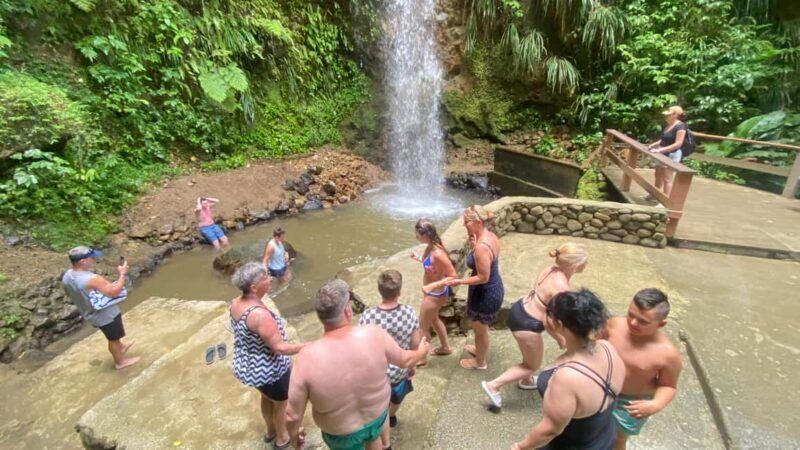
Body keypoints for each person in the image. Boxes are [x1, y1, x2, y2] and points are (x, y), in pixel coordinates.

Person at [286, 279, 430, 450]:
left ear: (320, 316)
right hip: (376, 418)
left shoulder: (305, 359)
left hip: (341, 433)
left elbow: (292, 415)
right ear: (347, 310)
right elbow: (405, 359)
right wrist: (422, 351)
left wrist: (294, 437)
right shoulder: (375, 335)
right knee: (375, 441)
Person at [510, 289, 625, 450]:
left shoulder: (566, 378)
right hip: (603, 436)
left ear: (558, 324)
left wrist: (521, 446)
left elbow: (549, 430)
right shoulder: (609, 348)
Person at [482, 243, 588, 408]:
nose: (586, 265)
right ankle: (493, 385)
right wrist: (560, 339)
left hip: (519, 309)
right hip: (527, 325)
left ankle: (527, 380)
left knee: (530, 354)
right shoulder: (562, 290)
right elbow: (549, 321)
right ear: (574, 266)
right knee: (531, 365)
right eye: (584, 262)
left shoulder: (550, 269)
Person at [229, 262, 305, 449]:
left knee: (267, 397)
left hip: (249, 366)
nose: (270, 279)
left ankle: (270, 431)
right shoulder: (259, 316)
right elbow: (279, 347)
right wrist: (307, 346)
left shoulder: (236, 302)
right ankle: (282, 438)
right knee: (282, 404)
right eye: (265, 278)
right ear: (253, 287)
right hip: (269, 370)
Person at [602, 289, 682, 450]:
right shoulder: (614, 324)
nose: (633, 323)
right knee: (588, 426)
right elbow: (595, 345)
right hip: (602, 386)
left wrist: (656, 404)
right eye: (630, 315)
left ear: (661, 324)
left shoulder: (668, 355)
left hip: (630, 402)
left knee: (617, 438)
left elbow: (668, 386)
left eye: (643, 321)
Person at [358, 270, 421, 448]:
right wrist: (412, 365)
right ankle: (391, 415)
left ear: (379, 291)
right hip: (401, 368)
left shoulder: (369, 316)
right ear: (399, 291)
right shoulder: (409, 312)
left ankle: (384, 419)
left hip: (377, 373)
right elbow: (415, 344)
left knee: (380, 404)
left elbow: (361, 346)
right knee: (398, 396)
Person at [444, 205, 504, 370]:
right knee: (481, 328)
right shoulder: (490, 236)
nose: (464, 225)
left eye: (466, 222)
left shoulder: (481, 247)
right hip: (493, 286)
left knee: (480, 330)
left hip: (485, 293)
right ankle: (479, 350)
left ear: (477, 222)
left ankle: (480, 362)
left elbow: (483, 277)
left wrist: (459, 282)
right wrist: (475, 244)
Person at [61, 246, 139, 370]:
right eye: (91, 258)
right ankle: (120, 362)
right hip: (104, 314)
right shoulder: (92, 279)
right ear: (83, 261)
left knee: (115, 334)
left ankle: (121, 346)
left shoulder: (67, 275)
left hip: (88, 310)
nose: (94, 259)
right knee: (113, 337)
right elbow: (114, 292)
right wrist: (122, 273)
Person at [410, 219, 456, 366]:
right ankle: (445, 347)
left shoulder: (438, 253)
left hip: (435, 295)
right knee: (434, 319)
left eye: (417, 234)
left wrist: (433, 285)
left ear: (425, 234)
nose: (415, 236)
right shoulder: (430, 247)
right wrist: (418, 259)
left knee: (423, 326)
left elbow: (453, 276)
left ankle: (422, 358)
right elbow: (432, 266)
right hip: (432, 292)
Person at [646, 106, 688, 198]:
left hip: (672, 154)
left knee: (667, 178)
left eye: (668, 115)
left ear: (675, 115)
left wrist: (660, 150)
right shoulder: (669, 125)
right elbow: (663, 139)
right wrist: (653, 145)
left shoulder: (681, 126)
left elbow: (678, 143)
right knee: (658, 175)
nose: (666, 116)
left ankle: (665, 201)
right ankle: (654, 195)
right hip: (661, 153)